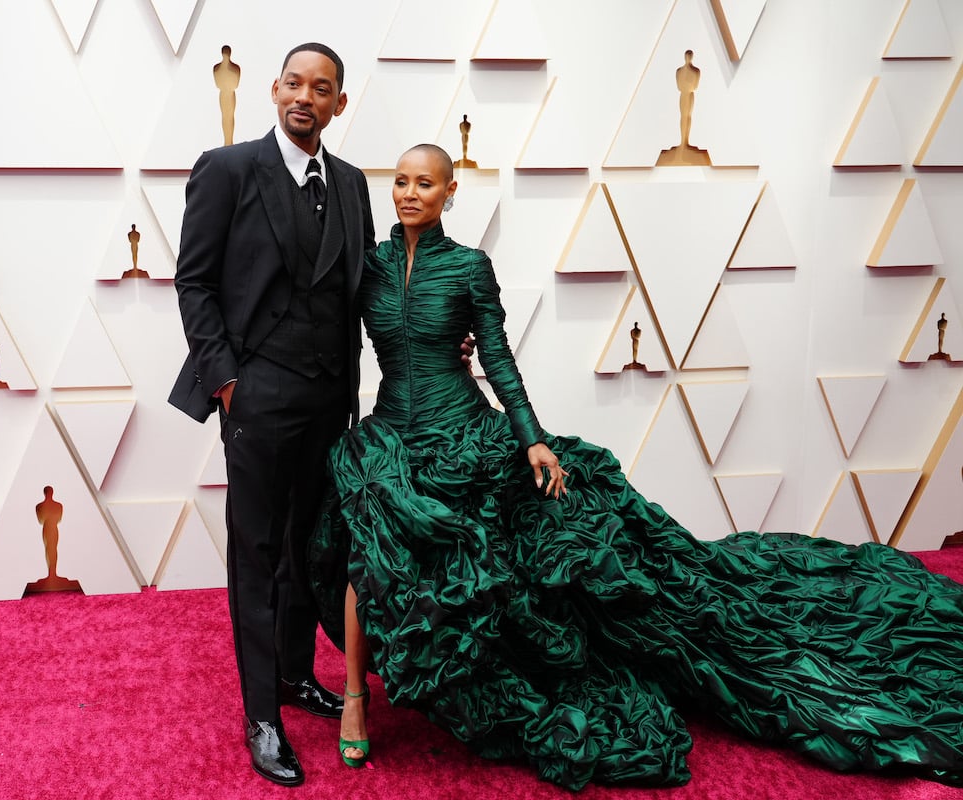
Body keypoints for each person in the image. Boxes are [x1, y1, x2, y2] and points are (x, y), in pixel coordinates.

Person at [310, 144, 963, 789]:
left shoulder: (469, 267)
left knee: (528, 564)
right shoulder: (368, 267)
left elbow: (499, 358)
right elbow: (334, 340)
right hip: (392, 435)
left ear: (450, 193)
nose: (410, 192)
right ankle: (356, 699)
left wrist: (533, 438)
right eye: (401, 180)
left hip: (464, 432)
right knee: (370, 555)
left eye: (426, 183)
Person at [168, 43, 374, 788]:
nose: (305, 97)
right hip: (257, 395)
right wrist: (227, 382)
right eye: (294, 83)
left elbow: (363, 287)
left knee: (309, 549)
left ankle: (293, 674)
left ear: (338, 105)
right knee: (255, 553)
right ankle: (262, 714)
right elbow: (193, 283)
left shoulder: (351, 185)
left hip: (329, 398)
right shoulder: (226, 171)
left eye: (322, 89)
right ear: (274, 90)